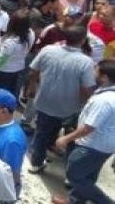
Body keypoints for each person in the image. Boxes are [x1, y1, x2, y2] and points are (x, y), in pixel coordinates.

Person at [27, 25, 97, 174]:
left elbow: (33, 70)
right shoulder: (85, 62)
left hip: (45, 102)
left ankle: (36, 163)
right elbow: (86, 88)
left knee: (41, 133)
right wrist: (87, 104)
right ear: (83, 40)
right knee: (71, 140)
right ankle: (68, 174)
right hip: (70, 108)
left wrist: (32, 87)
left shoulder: (48, 50)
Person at [54, 59, 115, 204]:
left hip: (92, 145)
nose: (93, 72)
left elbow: (89, 127)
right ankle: (76, 200)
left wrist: (66, 139)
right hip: (104, 145)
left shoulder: (105, 100)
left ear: (104, 77)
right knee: (88, 175)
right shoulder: (107, 94)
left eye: (96, 70)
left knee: (74, 174)